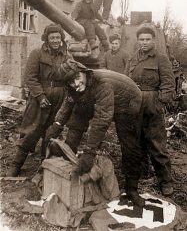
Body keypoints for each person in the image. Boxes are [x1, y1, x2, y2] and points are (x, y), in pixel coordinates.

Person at [45, 59, 145, 206]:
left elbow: (101, 121)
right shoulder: (76, 85)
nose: (76, 84)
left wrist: (89, 152)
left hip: (128, 102)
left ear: (84, 72)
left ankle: (132, 188)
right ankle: (69, 151)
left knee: (128, 143)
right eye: (71, 82)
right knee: (79, 111)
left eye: (77, 78)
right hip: (106, 98)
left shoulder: (102, 85)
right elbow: (68, 104)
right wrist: (56, 125)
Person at [7, 23, 72, 177]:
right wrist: (41, 97)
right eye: (52, 37)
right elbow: (30, 78)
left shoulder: (67, 56)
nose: (56, 40)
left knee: (52, 132)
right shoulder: (37, 53)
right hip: (39, 99)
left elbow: (71, 76)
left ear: (62, 39)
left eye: (58, 37)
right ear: (47, 39)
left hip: (59, 99)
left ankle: (45, 167)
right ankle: (16, 165)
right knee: (31, 131)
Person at [126, 23, 175, 196]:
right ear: (137, 40)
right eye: (141, 39)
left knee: (157, 144)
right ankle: (142, 172)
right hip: (135, 105)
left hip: (153, 103)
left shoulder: (161, 58)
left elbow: (169, 84)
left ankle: (165, 181)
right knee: (137, 141)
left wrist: (160, 101)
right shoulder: (133, 59)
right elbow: (126, 81)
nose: (144, 42)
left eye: (147, 39)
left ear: (153, 40)